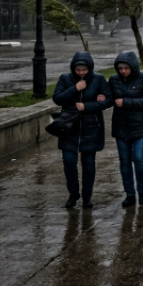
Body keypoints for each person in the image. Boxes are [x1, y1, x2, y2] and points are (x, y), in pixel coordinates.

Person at [53, 51, 112, 209]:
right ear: (73, 68)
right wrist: (75, 88)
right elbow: (57, 98)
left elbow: (109, 99)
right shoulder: (65, 78)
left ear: (90, 68)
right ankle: (73, 193)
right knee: (69, 161)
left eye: (84, 70)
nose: (81, 73)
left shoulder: (98, 79)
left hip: (91, 127)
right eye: (78, 70)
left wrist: (90, 105)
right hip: (69, 127)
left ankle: (87, 196)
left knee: (89, 163)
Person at [108, 51, 143, 208]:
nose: (123, 71)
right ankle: (130, 194)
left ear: (133, 67)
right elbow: (110, 98)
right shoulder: (114, 80)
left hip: (142, 126)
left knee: (139, 158)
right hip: (121, 127)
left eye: (126, 68)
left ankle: (141, 191)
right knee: (124, 161)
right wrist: (102, 98)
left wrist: (126, 102)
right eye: (120, 68)